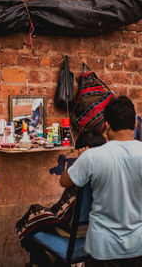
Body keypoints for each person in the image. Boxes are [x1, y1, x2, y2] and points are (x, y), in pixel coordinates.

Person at [60, 96, 142, 267]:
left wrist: (80, 159)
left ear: (106, 125)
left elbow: (64, 181)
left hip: (103, 248)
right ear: (135, 124)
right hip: (138, 245)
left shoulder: (91, 156)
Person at [15, 130, 106, 267]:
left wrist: (82, 161)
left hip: (70, 229)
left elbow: (63, 182)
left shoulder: (81, 172)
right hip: (94, 228)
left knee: (28, 220)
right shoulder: (107, 172)